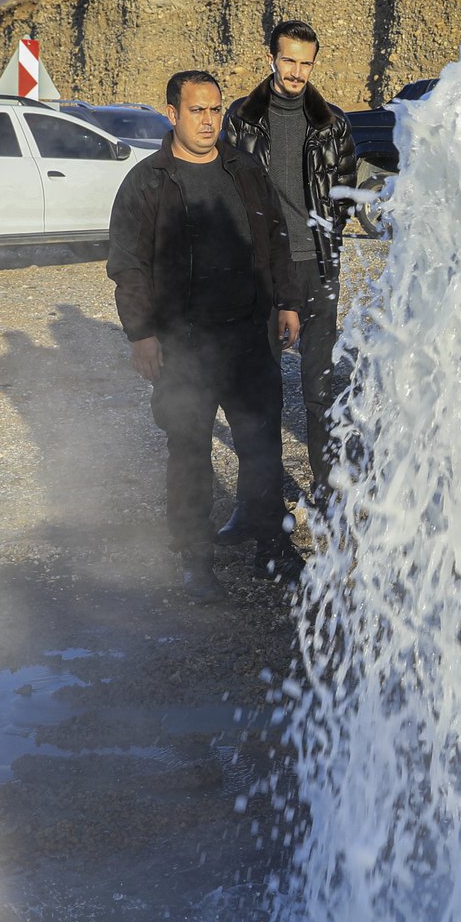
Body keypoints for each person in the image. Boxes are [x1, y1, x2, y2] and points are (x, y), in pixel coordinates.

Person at [108, 71, 303, 600]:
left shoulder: (244, 170)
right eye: (197, 110)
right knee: (189, 452)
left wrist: (286, 301)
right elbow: (128, 267)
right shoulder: (148, 181)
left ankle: (272, 547)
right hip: (182, 345)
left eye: (215, 110)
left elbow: (277, 238)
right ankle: (196, 561)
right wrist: (141, 335)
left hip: (249, 338)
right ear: (171, 113)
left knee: (261, 447)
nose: (209, 120)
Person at [220, 19, 361, 520]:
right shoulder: (241, 118)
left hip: (317, 269)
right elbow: (228, 189)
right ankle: (254, 504)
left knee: (320, 388)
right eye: (289, 61)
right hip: (262, 274)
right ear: (271, 59)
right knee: (260, 391)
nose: (297, 72)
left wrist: (326, 235)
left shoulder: (333, 123)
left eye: (306, 62)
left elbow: (344, 186)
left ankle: (324, 493)